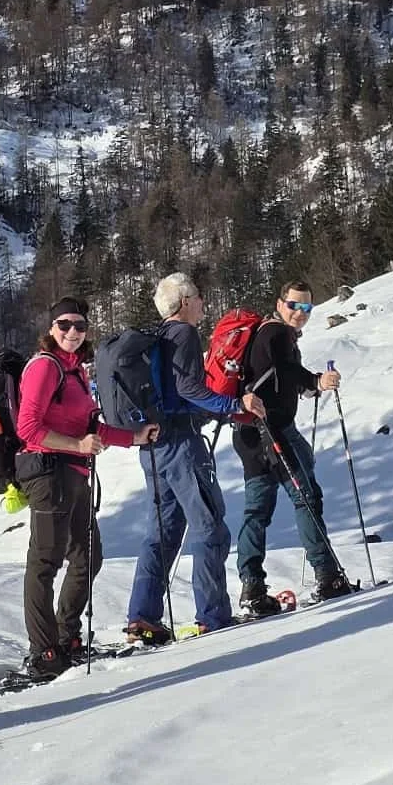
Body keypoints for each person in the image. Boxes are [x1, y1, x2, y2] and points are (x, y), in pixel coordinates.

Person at [16, 295, 158, 681]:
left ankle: (66, 636)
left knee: (88, 558)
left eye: (80, 326)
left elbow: (92, 429)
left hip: (75, 474)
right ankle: (44, 650)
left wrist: (135, 437)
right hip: (49, 474)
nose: (73, 332)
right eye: (64, 325)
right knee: (44, 563)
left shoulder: (75, 370)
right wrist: (76, 445)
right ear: (50, 329)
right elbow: (27, 428)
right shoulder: (45, 368)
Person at [126, 273, 265, 642]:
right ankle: (213, 616)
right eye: (199, 296)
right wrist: (233, 404)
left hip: (151, 446)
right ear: (185, 300)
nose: (203, 302)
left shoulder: (153, 338)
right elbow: (188, 389)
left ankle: (142, 618)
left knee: (161, 533)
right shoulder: (183, 334)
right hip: (182, 444)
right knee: (210, 528)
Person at [232, 279, 354, 613]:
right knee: (306, 498)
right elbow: (287, 370)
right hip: (274, 432)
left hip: (247, 433)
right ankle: (328, 576)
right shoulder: (278, 333)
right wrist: (315, 381)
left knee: (257, 511)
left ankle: (252, 588)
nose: (300, 313)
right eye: (294, 305)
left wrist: (308, 386)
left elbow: (277, 376)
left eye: (306, 308)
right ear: (279, 302)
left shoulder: (264, 333)